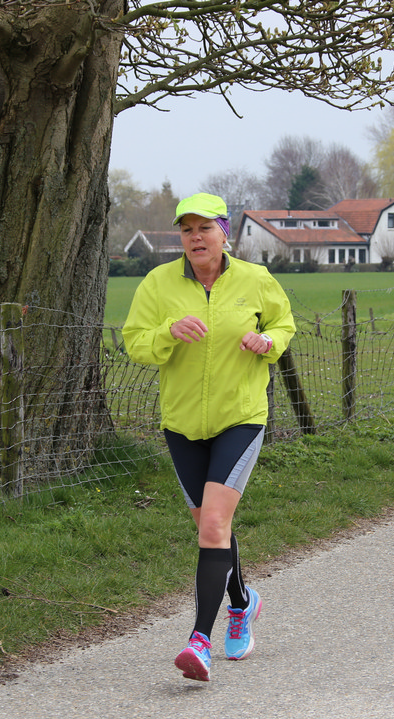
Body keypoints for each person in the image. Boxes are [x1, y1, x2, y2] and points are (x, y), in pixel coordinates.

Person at [122, 192, 296, 682]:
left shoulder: (255, 279)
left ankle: (199, 640)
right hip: (182, 424)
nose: (195, 238)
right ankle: (242, 601)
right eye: (187, 230)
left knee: (214, 523)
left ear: (225, 233)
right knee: (210, 528)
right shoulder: (158, 283)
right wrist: (168, 332)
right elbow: (134, 342)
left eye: (204, 228)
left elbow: (283, 324)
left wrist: (267, 341)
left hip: (240, 416)